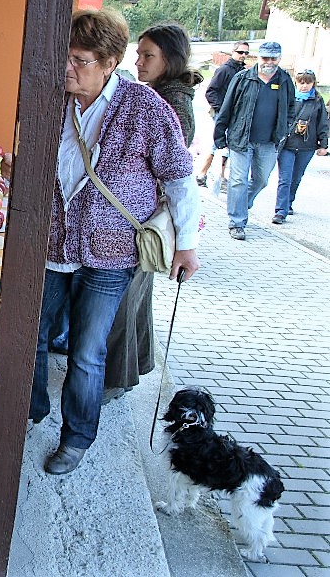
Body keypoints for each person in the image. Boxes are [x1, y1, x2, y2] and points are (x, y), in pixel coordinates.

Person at [29, 9, 200, 475]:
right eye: (64, 57)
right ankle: (32, 408)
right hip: (54, 247)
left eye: (79, 60)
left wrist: (186, 246)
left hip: (111, 256)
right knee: (34, 335)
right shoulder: (52, 101)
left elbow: (182, 180)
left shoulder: (147, 109)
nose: (68, 68)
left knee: (87, 351)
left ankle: (77, 437)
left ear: (109, 62)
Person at [102, 23, 203, 401]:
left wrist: (187, 242)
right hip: (143, 217)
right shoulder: (162, 94)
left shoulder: (170, 104)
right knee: (136, 301)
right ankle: (135, 367)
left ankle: (116, 380)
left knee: (126, 303)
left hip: (144, 220)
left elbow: (176, 174)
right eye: (139, 53)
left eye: (149, 56)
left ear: (169, 60)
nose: (139, 62)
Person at [214, 41, 295, 240]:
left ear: (279, 59)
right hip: (241, 139)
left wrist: (286, 130)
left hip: (269, 141)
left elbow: (292, 108)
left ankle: (242, 203)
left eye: (273, 58)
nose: (269, 62)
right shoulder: (242, 78)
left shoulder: (284, 80)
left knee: (261, 180)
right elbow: (227, 107)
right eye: (265, 58)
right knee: (238, 180)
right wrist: (219, 134)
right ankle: (237, 222)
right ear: (258, 58)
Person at [273, 70, 329, 223]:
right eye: (301, 82)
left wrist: (323, 144)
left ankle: (288, 202)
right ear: (296, 82)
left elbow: (323, 123)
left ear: (313, 83)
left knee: (296, 177)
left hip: (307, 146)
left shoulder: (317, 100)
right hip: (287, 145)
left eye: (308, 82)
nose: (304, 86)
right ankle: (280, 211)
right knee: (285, 178)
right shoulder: (289, 97)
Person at [197, 41, 250, 187]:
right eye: (240, 52)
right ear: (233, 52)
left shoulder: (244, 72)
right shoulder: (224, 70)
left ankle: (219, 176)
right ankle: (202, 174)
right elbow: (211, 91)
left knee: (226, 146)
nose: (243, 55)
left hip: (236, 116)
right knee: (216, 144)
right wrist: (221, 110)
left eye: (246, 53)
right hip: (221, 115)